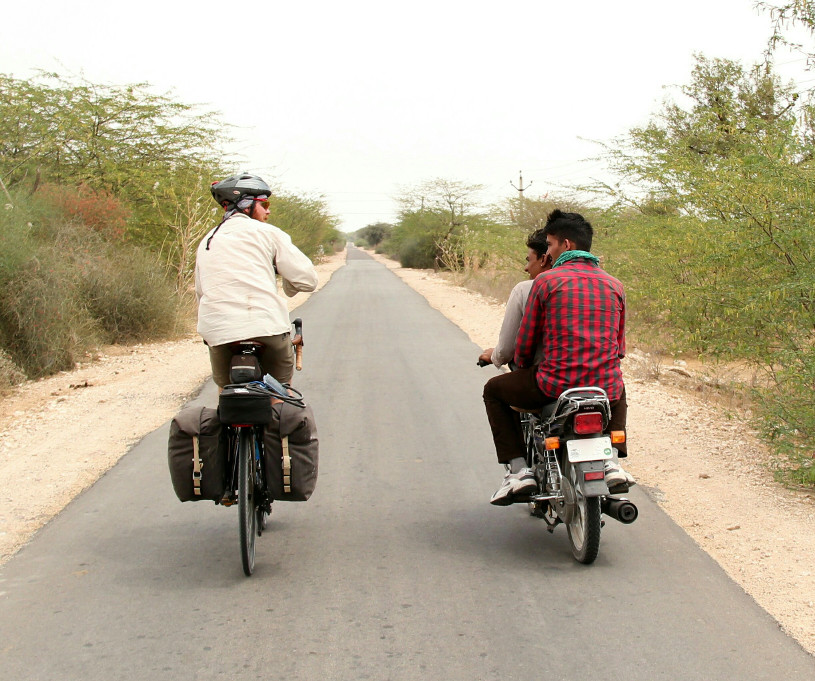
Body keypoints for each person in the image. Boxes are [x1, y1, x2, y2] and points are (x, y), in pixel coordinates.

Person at [482, 209, 632, 505]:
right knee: (618, 385)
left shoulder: (546, 283)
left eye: (549, 245)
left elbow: (524, 344)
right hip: (603, 388)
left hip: (554, 384)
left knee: (494, 391)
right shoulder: (615, 285)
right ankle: (613, 462)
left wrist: (521, 368)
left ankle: (518, 471)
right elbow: (619, 348)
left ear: (566, 245)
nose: (547, 252)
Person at [195, 173, 318, 389]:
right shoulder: (268, 233)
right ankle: (277, 407)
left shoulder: (208, 240)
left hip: (219, 331)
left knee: (225, 391)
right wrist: (284, 277)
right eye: (264, 203)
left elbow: (201, 292)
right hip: (266, 327)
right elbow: (308, 280)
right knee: (280, 387)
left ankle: (227, 417)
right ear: (246, 205)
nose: (268, 210)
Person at [478, 228, 551, 369]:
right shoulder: (591, 287)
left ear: (544, 259)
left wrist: (494, 356)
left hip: (542, 376)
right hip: (589, 379)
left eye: (529, 260)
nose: (526, 268)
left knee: (493, 387)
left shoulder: (524, 289)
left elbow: (506, 349)